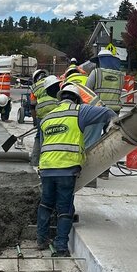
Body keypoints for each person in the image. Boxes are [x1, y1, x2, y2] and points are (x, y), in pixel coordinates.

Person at [36, 83, 113, 256]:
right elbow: (108, 112)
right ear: (77, 99)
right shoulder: (80, 111)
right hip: (66, 169)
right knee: (65, 208)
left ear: (60, 99)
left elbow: (42, 145)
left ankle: (41, 239)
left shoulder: (47, 118)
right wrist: (109, 127)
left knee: (46, 204)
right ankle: (61, 246)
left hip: (47, 168)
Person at [30, 74, 61, 166]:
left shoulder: (34, 87)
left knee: (40, 136)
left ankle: (36, 161)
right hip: (57, 112)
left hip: (42, 116)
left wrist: (34, 120)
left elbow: (32, 105)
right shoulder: (56, 82)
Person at [86, 47, 124, 115]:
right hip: (115, 110)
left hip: (99, 109)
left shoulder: (96, 72)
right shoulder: (120, 75)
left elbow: (87, 91)